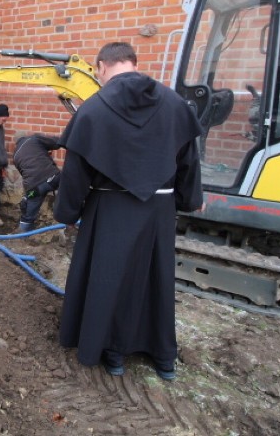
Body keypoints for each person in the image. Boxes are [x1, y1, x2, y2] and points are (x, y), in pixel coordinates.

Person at [53, 42, 202, 381]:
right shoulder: (175, 104)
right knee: (155, 277)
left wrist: (67, 211)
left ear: (102, 66)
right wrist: (189, 198)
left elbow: (75, 171)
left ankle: (113, 354)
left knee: (109, 277)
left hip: (110, 208)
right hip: (159, 209)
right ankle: (163, 358)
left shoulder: (92, 110)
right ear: (134, 63)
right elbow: (188, 160)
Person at [13, 132, 61, 232]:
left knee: (29, 207)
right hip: (52, 178)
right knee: (69, 185)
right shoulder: (33, 139)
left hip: (34, 189)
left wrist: (44, 152)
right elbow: (56, 143)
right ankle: (69, 220)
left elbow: (25, 172)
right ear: (25, 136)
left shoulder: (15, 156)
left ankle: (23, 233)